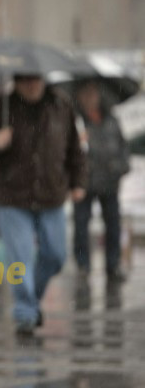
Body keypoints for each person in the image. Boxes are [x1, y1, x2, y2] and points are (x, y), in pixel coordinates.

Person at [0, 74, 87, 336]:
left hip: (51, 195)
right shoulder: (1, 106)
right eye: (25, 81)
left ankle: (30, 298)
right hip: (14, 196)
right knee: (19, 260)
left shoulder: (61, 106)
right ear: (16, 82)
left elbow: (74, 149)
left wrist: (78, 181)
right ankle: (24, 313)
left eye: (36, 80)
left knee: (56, 255)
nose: (32, 85)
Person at [72, 81, 130, 283]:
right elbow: (68, 153)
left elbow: (123, 147)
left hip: (109, 181)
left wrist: (121, 167)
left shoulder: (111, 120)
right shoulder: (77, 122)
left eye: (93, 93)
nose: (89, 98)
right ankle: (83, 265)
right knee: (81, 225)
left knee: (113, 225)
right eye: (85, 94)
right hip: (84, 182)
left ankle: (113, 265)